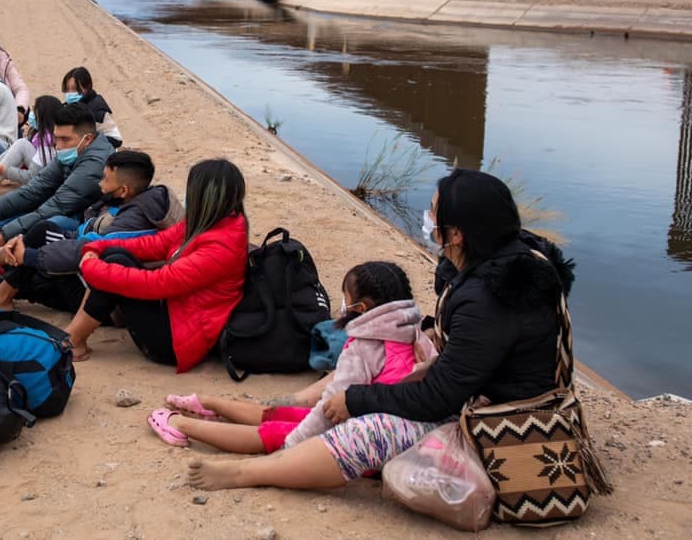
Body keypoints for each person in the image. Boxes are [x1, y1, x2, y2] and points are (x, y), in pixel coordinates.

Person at [186, 168, 576, 492]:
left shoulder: (491, 297)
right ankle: (294, 414)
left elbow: (439, 397)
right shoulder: (501, 265)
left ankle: (250, 473)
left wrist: (359, 400)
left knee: (368, 430)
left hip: (496, 421)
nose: (428, 217)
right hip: (476, 390)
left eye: (435, 212)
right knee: (364, 363)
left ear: (457, 234)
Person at [147, 262, 437, 451]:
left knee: (274, 431)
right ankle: (208, 403)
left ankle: (179, 425)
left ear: (360, 307)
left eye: (346, 298)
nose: (343, 304)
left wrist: (294, 444)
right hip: (387, 428)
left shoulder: (363, 349)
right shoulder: (414, 334)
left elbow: (331, 403)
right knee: (286, 414)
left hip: (360, 438)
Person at [0, 150, 184, 315]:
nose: (99, 183)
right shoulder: (123, 200)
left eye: (105, 180)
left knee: (38, 252)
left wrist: (29, 254)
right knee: (31, 264)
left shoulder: (132, 219)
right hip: (91, 276)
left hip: (106, 298)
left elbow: (88, 247)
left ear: (124, 189)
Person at [65, 158, 249, 366]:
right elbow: (156, 243)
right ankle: (74, 338)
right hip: (174, 311)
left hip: (176, 341)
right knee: (115, 254)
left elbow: (158, 283)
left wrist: (92, 268)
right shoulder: (206, 221)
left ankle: (73, 340)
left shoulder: (222, 245)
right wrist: (99, 247)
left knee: (115, 262)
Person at [0, 102, 113, 272]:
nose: (58, 146)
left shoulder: (95, 164)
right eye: (56, 139)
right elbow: (34, 189)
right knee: (28, 205)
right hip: (70, 209)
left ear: (87, 139)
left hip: (88, 224)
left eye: (65, 139)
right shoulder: (72, 152)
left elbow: (56, 207)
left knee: (46, 224)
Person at [62, 66, 122, 147]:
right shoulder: (65, 109)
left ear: (87, 87)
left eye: (74, 89)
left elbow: (115, 139)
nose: (70, 93)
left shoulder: (98, 111)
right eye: (67, 89)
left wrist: (87, 141)